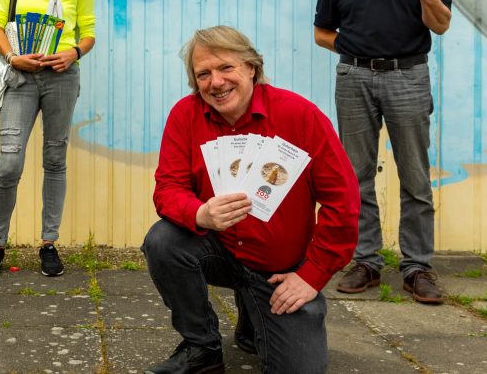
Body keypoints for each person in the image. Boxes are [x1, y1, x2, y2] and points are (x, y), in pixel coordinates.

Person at [141, 26, 359, 374]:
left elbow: (342, 202)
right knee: (163, 241)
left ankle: (253, 314)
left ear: (251, 69)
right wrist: (200, 213)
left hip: (280, 269)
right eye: (203, 74)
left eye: (226, 68)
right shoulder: (186, 114)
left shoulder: (300, 115)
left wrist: (311, 275)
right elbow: (167, 187)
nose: (216, 82)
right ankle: (201, 348)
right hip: (220, 250)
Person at [315, 0, 453, 305]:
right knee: (355, 174)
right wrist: (357, 50)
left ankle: (417, 267)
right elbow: (322, 33)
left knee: (414, 174)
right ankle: (366, 262)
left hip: (408, 76)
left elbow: (442, 24)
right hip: (354, 78)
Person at [0, 0, 96, 278]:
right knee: (9, 163)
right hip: (21, 77)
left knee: (55, 160)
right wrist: (14, 57)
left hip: (62, 77)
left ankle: (49, 244)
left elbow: (89, 31)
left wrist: (73, 52)